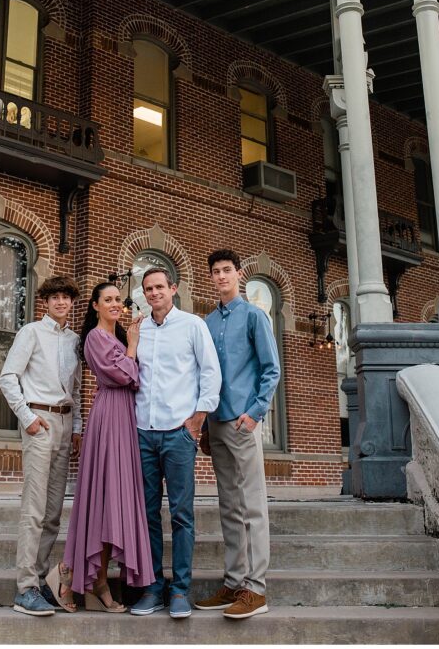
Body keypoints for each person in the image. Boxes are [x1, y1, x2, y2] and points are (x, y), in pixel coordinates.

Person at [46, 281, 155, 613]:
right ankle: (74, 573)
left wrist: (131, 346)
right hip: (108, 420)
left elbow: (137, 376)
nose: (114, 304)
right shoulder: (95, 337)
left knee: (116, 504)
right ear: (94, 305)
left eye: (117, 300)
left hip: (126, 421)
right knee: (104, 501)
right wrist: (133, 347)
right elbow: (123, 375)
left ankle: (93, 577)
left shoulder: (120, 337)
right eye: (107, 299)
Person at [130, 267, 222, 620]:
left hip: (178, 433)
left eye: (159, 288)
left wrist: (198, 419)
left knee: (182, 514)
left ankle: (181, 588)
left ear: (174, 288)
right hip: (143, 431)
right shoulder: (139, 328)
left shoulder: (192, 325)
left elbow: (210, 372)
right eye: (148, 289)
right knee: (148, 514)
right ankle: (153, 586)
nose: (154, 293)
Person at [195, 249, 281, 620]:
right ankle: (233, 582)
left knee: (252, 507)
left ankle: (256, 589)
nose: (220, 277)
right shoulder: (208, 322)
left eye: (226, 270)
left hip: (242, 423)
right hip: (215, 424)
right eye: (215, 272)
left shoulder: (254, 316)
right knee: (229, 506)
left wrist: (255, 413)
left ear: (239, 274)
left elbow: (271, 369)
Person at [0, 275, 82, 618]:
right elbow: (7, 377)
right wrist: (27, 417)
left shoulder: (76, 340)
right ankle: (25, 588)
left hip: (64, 423)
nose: (61, 302)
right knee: (33, 508)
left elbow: (75, 389)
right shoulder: (31, 332)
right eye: (55, 297)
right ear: (45, 302)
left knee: (52, 511)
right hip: (39, 421)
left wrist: (76, 428)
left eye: (66, 297)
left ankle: (40, 579)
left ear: (72, 302)